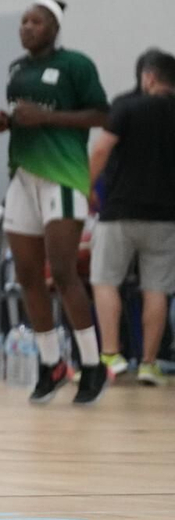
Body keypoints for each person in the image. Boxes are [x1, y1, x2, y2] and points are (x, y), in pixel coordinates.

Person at [0, 0, 110, 404]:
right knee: (27, 274)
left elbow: (102, 116)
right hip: (23, 176)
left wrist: (47, 118)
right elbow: (24, 117)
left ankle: (92, 365)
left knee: (62, 271)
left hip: (63, 176)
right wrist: (6, 123)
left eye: (36, 21)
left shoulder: (76, 65)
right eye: (23, 20)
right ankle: (51, 363)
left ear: (54, 28)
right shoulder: (17, 70)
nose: (26, 27)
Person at [89, 48, 175, 387]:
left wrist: (85, 187)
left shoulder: (127, 107)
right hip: (165, 217)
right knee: (157, 289)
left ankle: (112, 355)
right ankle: (149, 364)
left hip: (120, 212)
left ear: (148, 77)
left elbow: (100, 149)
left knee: (105, 280)